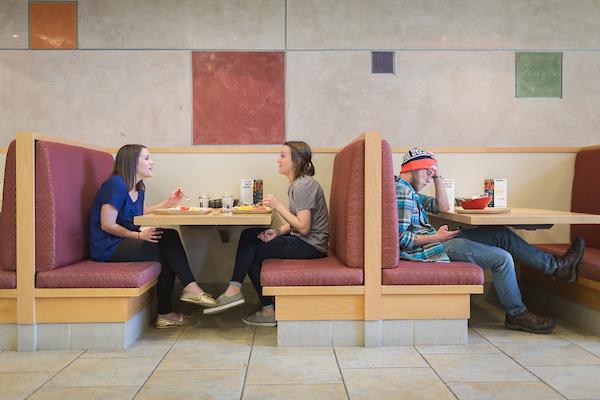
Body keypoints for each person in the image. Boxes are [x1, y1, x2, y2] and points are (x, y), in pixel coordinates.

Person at [396, 147, 585, 334]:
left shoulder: (408, 191)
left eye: (432, 174)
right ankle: (516, 313)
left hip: (435, 241)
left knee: (499, 233)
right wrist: (437, 236)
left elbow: (442, 206)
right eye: (428, 172)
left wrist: (437, 178)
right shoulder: (402, 193)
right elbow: (401, 239)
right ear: (414, 168)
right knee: (501, 258)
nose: (430, 178)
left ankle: (557, 267)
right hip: (428, 250)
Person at [89, 144, 216, 328]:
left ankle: (168, 311)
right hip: (108, 247)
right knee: (167, 238)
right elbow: (107, 224)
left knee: (166, 246)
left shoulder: (139, 186)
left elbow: (142, 212)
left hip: (125, 241)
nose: (152, 162)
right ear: (133, 162)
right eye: (147, 158)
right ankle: (187, 290)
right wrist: (138, 236)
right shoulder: (116, 184)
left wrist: (169, 202)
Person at [204, 141, 329, 327]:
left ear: (295, 160)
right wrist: (277, 232)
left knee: (252, 247)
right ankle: (256, 302)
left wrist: (278, 207)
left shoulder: (304, 185)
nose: (278, 160)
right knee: (251, 236)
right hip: (304, 240)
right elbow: (297, 221)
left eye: (282, 156)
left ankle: (239, 293)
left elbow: (303, 227)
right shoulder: (297, 184)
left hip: (312, 246)